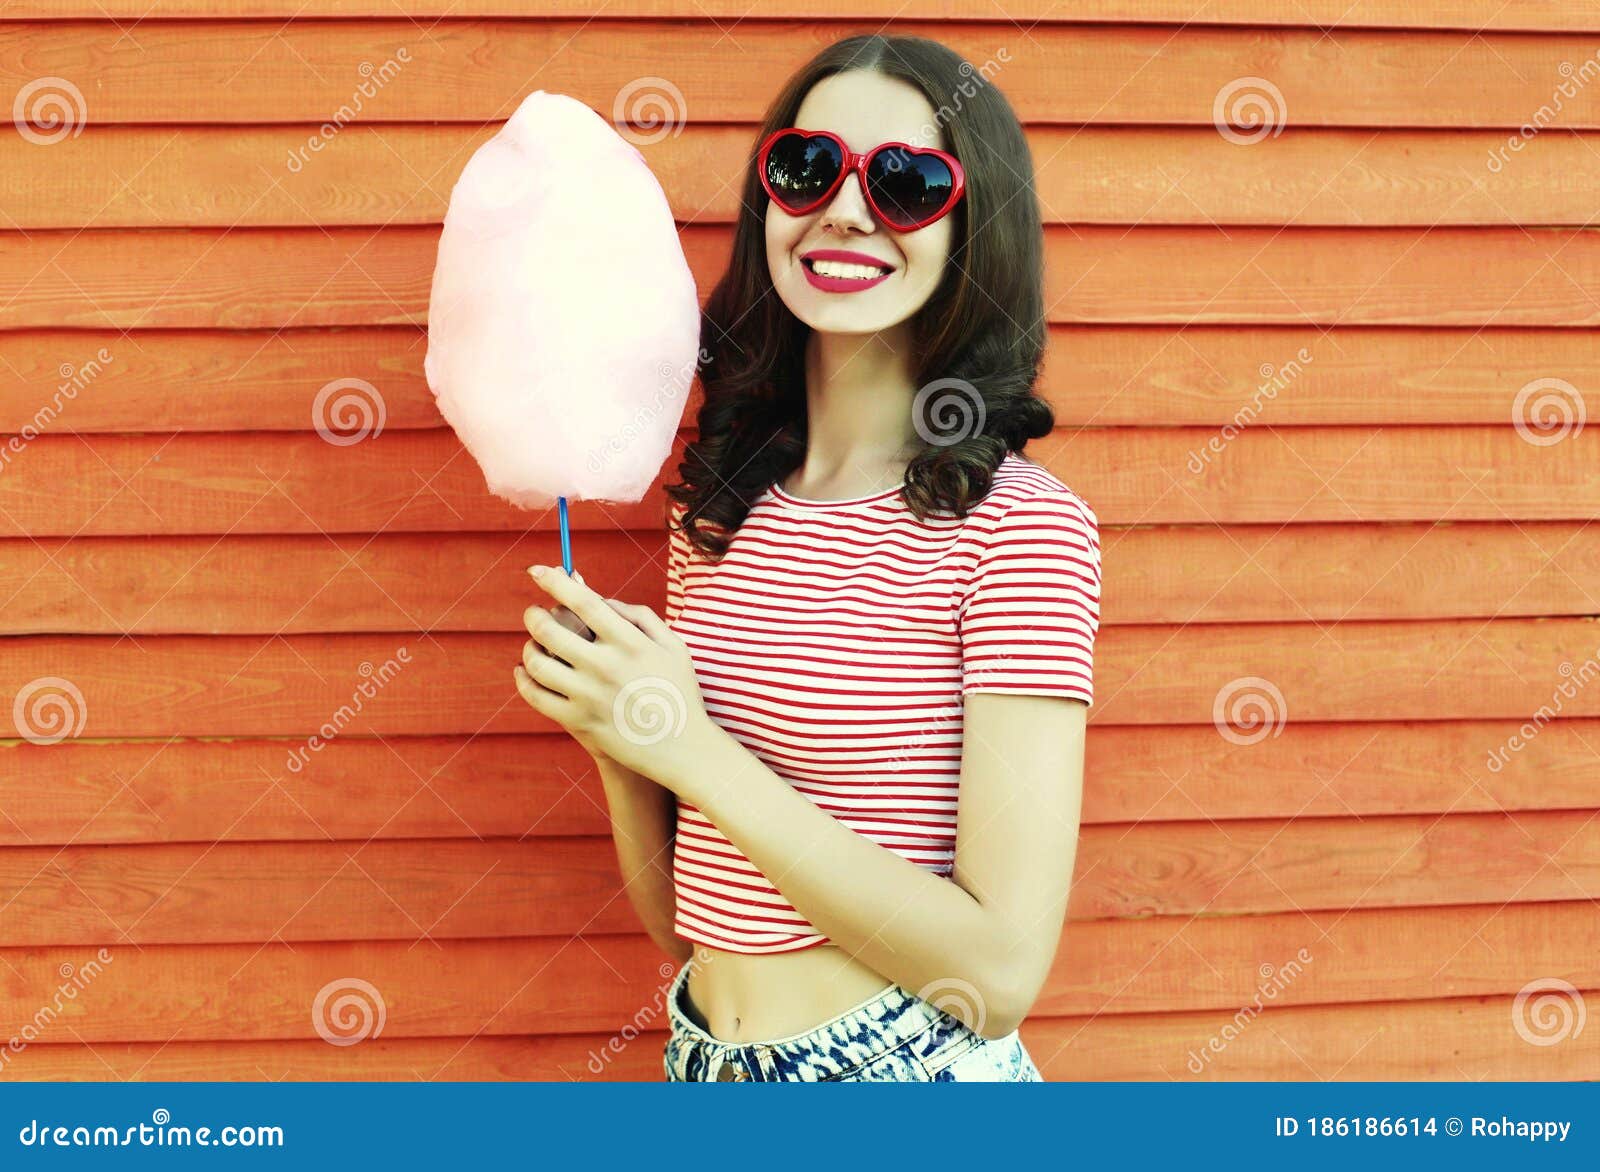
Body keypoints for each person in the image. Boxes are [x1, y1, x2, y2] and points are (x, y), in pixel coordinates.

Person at [513, 32, 1101, 1082]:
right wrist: (617, 733)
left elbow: (1001, 971)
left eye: (907, 183)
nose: (844, 207)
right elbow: (689, 923)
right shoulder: (719, 510)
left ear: (975, 230)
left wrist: (691, 747)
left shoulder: (1020, 528)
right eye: (807, 167)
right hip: (704, 1060)